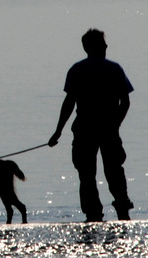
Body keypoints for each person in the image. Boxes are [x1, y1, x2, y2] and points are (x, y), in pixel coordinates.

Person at [48, 29, 134, 222]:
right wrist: (115, 125)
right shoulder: (114, 69)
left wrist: (58, 132)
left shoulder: (77, 70)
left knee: (88, 174)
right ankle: (121, 208)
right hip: (103, 130)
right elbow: (125, 102)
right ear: (90, 47)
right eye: (102, 44)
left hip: (85, 130)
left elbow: (69, 103)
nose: (106, 46)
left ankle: (94, 213)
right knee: (111, 171)